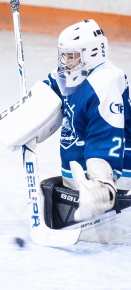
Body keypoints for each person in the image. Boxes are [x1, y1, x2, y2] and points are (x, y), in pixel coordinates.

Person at [41, 19, 131, 223]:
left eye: (71, 56)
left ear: (91, 54)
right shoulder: (71, 73)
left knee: (100, 172)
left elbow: (105, 134)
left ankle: (103, 193)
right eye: (63, 56)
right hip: (79, 178)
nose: (65, 62)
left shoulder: (104, 83)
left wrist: (102, 186)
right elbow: (48, 90)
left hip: (115, 179)